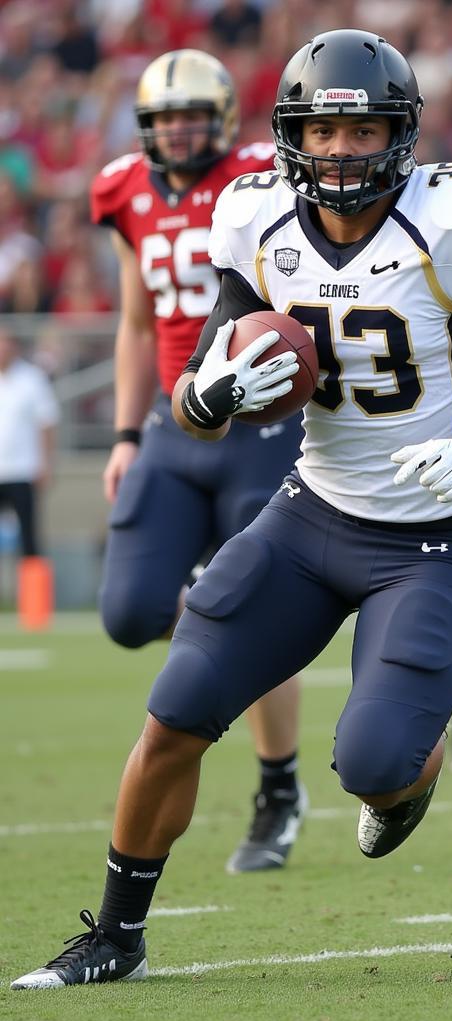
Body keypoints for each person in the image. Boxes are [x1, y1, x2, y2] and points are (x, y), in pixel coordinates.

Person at [11, 28, 452, 990]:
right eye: (321, 135)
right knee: (175, 714)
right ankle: (115, 934)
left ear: (399, 135)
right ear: (289, 139)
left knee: (375, 764)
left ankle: (409, 771)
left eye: (362, 131)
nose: (340, 153)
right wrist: (203, 401)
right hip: (309, 514)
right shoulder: (255, 222)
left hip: (431, 536)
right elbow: (208, 384)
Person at [90, 49, 308, 875]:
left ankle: (279, 787)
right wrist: (122, 435)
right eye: (164, 117)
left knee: (247, 606)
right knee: (129, 613)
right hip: (176, 422)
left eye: (193, 113)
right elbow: (138, 323)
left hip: (258, 422)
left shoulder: (264, 175)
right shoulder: (122, 190)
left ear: (222, 117)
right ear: (146, 127)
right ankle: (223, 628)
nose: (179, 129)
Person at [0, 326, 59, 627]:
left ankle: (34, 611)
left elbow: (46, 423)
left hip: (22, 471)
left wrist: (45, 465)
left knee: (30, 540)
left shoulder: (31, 379)